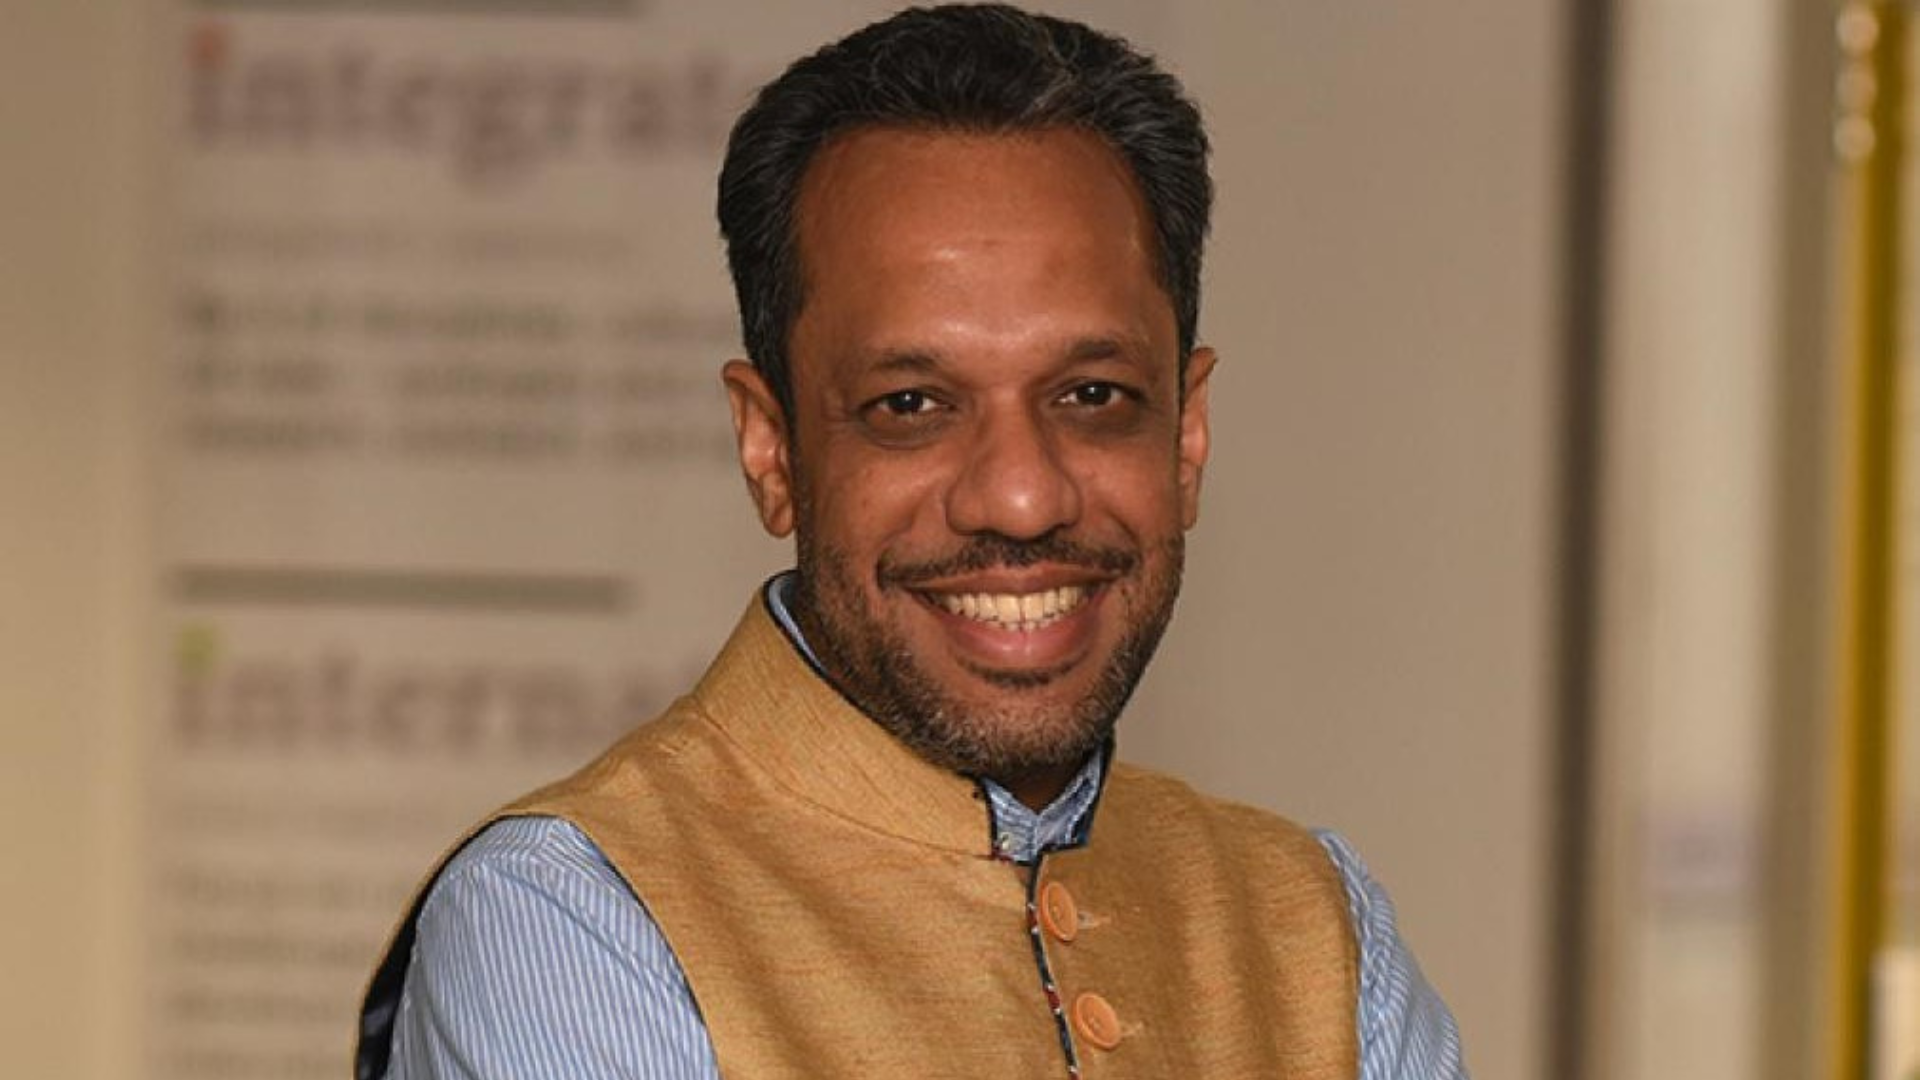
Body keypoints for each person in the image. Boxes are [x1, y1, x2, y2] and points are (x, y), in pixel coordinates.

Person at [356, 5, 1467, 1078]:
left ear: (1186, 434)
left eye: (1092, 393)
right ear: (772, 449)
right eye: (911, 406)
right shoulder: (574, 920)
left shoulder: (1317, 927)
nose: (1022, 499)